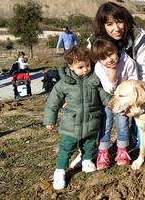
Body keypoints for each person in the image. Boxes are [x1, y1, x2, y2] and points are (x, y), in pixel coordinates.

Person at [43, 46, 111, 190]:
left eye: (88, 65)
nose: (86, 69)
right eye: (81, 67)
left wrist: (113, 104)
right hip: (71, 125)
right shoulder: (64, 83)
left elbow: (103, 95)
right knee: (66, 148)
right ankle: (60, 170)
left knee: (89, 144)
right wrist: (50, 120)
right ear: (71, 66)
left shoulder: (94, 79)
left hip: (91, 122)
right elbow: (53, 102)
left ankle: (86, 161)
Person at [88, 2, 145, 148]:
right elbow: (88, 71)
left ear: (126, 21)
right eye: (109, 24)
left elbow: (144, 71)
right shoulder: (95, 42)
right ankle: (89, 149)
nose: (116, 28)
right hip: (105, 88)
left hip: (132, 84)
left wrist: (133, 99)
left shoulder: (138, 38)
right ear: (102, 26)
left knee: (138, 106)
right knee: (99, 115)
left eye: (119, 21)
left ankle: (139, 136)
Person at [92, 38, 139, 170]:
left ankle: (122, 150)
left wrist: (129, 103)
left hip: (123, 99)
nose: (109, 60)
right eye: (104, 58)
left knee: (122, 123)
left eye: (111, 54)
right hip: (107, 97)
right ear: (99, 60)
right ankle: (103, 152)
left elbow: (134, 82)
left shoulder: (128, 62)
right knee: (105, 124)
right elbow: (109, 89)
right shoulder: (99, 67)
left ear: (117, 50)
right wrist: (112, 75)